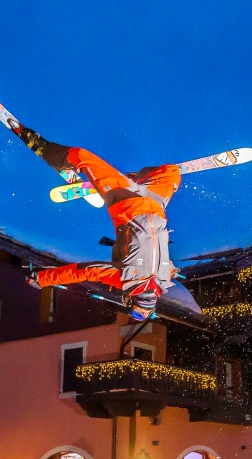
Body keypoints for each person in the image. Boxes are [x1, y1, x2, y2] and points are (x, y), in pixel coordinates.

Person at [20, 138, 180, 322]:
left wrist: (44, 278)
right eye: (138, 313)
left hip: (128, 202)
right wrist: (42, 280)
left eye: (137, 314)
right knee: (172, 171)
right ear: (133, 302)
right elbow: (85, 272)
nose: (137, 313)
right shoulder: (138, 279)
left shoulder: (146, 278)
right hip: (148, 203)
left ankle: (45, 150)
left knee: (82, 156)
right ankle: (138, 180)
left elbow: (166, 266)